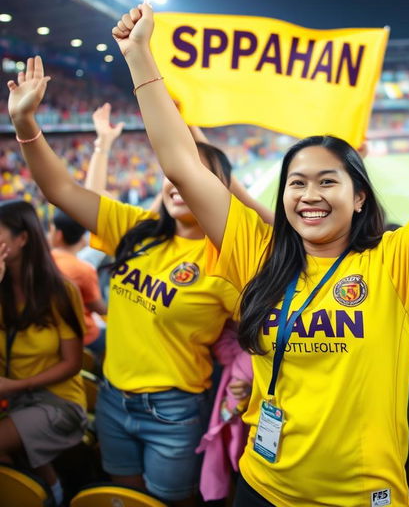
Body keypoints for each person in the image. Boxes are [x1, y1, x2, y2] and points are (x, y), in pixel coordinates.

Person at [109, 0, 409, 506]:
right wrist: (139, 58)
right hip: (261, 487)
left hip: (360, 497)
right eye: (297, 182)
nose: (309, 194)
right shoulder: (253, 251)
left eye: (328, 181)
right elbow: (180, 162)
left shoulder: (396, 262)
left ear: (359, 198)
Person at [7, 57, 245, 506]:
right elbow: (60, 190)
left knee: (173, 501)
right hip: (114, 401)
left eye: (197, 173)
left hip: (175, 410)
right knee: (126, 498)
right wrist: (25, 124)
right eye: (174, 172)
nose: (179, 182)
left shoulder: (233, 261)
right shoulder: (135, 229)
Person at [0, 199, 87, 507]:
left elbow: (73, 363)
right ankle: (44, 487)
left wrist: (16, 385)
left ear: (22, 239)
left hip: (58, 401)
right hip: (16, 399)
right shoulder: (2, 290)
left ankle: (47, 496)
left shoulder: (60, 291)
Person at [49, 208, 108, 356]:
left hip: (51, 335)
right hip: (84, 338)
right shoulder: (84, 269)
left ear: (58, 235)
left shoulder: (43, 260)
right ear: (82, 238)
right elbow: (98, 308)